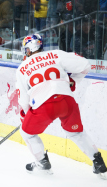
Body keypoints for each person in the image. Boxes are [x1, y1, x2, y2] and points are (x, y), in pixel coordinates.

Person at [16, 33, 107, 177]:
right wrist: (73, 80)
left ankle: (43, 164)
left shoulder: (22, 68)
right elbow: (85, 65)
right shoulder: (55, 54)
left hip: (44, 105)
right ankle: (99, 164)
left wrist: (26, 113)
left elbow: (23, 99)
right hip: (67, 101)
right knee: (76, 132)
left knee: (27, 133)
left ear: (27, 49)